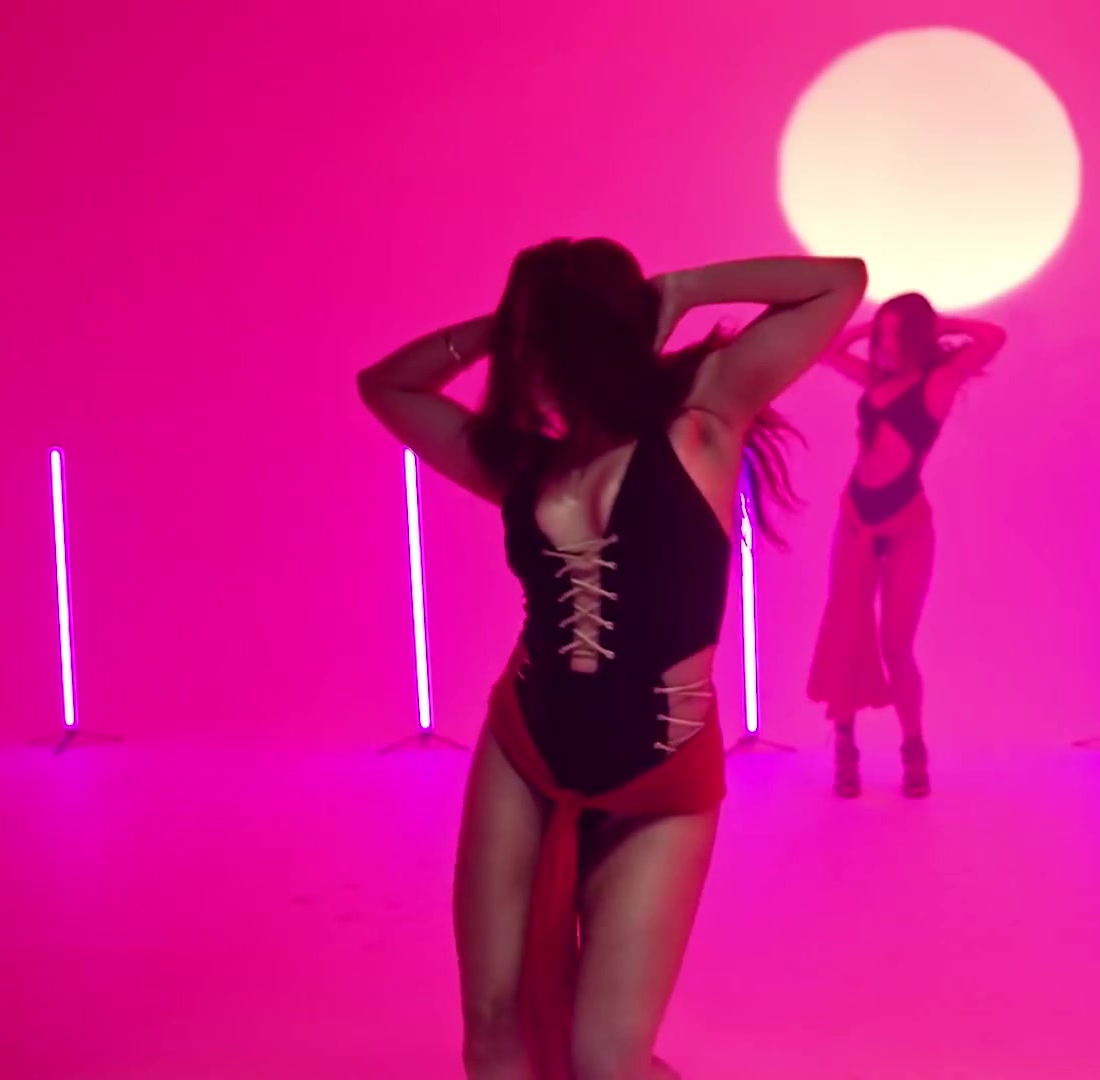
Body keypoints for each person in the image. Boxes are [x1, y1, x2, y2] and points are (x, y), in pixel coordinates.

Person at [358, 240, 866, 1078]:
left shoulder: (703, 421)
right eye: (528, 345)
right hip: (527, 745)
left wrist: (684, 289)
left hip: (660, 770)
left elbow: (840, 283)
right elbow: (385, 387)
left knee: (606, 1060)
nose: (532, 368)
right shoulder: (522, 463)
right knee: (494, 1027)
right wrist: (503, 326)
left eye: (549, 342)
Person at [805, 293, 1006, 798]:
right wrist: (872, 329)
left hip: (905, 527)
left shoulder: (937, 382)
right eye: (883, 334)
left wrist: (939, 324)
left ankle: (913, 749)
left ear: (918, 336)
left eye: (898, 334)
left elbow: (994, 338)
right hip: (854, 518)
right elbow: (825, 350)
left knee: (896, 645)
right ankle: (845, 749)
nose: (886, 344)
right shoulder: (875, 380)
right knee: (847, 633)